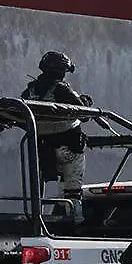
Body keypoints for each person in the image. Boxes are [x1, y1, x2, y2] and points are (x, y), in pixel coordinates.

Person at [20, 51, 93, 222]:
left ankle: (40, 218)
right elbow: (84, 114)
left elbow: (21, 116)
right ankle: (75, 222)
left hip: (42, 148)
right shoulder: (61, 89)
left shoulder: (29, 91)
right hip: (69, 148)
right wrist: (86, 102)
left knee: (40, 187)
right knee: (72, 190)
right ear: (61, 71)